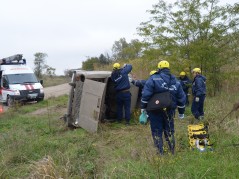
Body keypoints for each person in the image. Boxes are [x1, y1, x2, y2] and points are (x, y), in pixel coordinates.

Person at [141, 60, 186, 155]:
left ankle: (160, 152)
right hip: (170, 110)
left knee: (157, 131)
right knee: (169, 130)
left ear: (159, 68)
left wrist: (143, 107)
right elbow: (181, 98)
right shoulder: (176, 81)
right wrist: (181, 112)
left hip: (155, 111)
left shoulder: (153, 79)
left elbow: (146, 95)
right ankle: (172, 151)